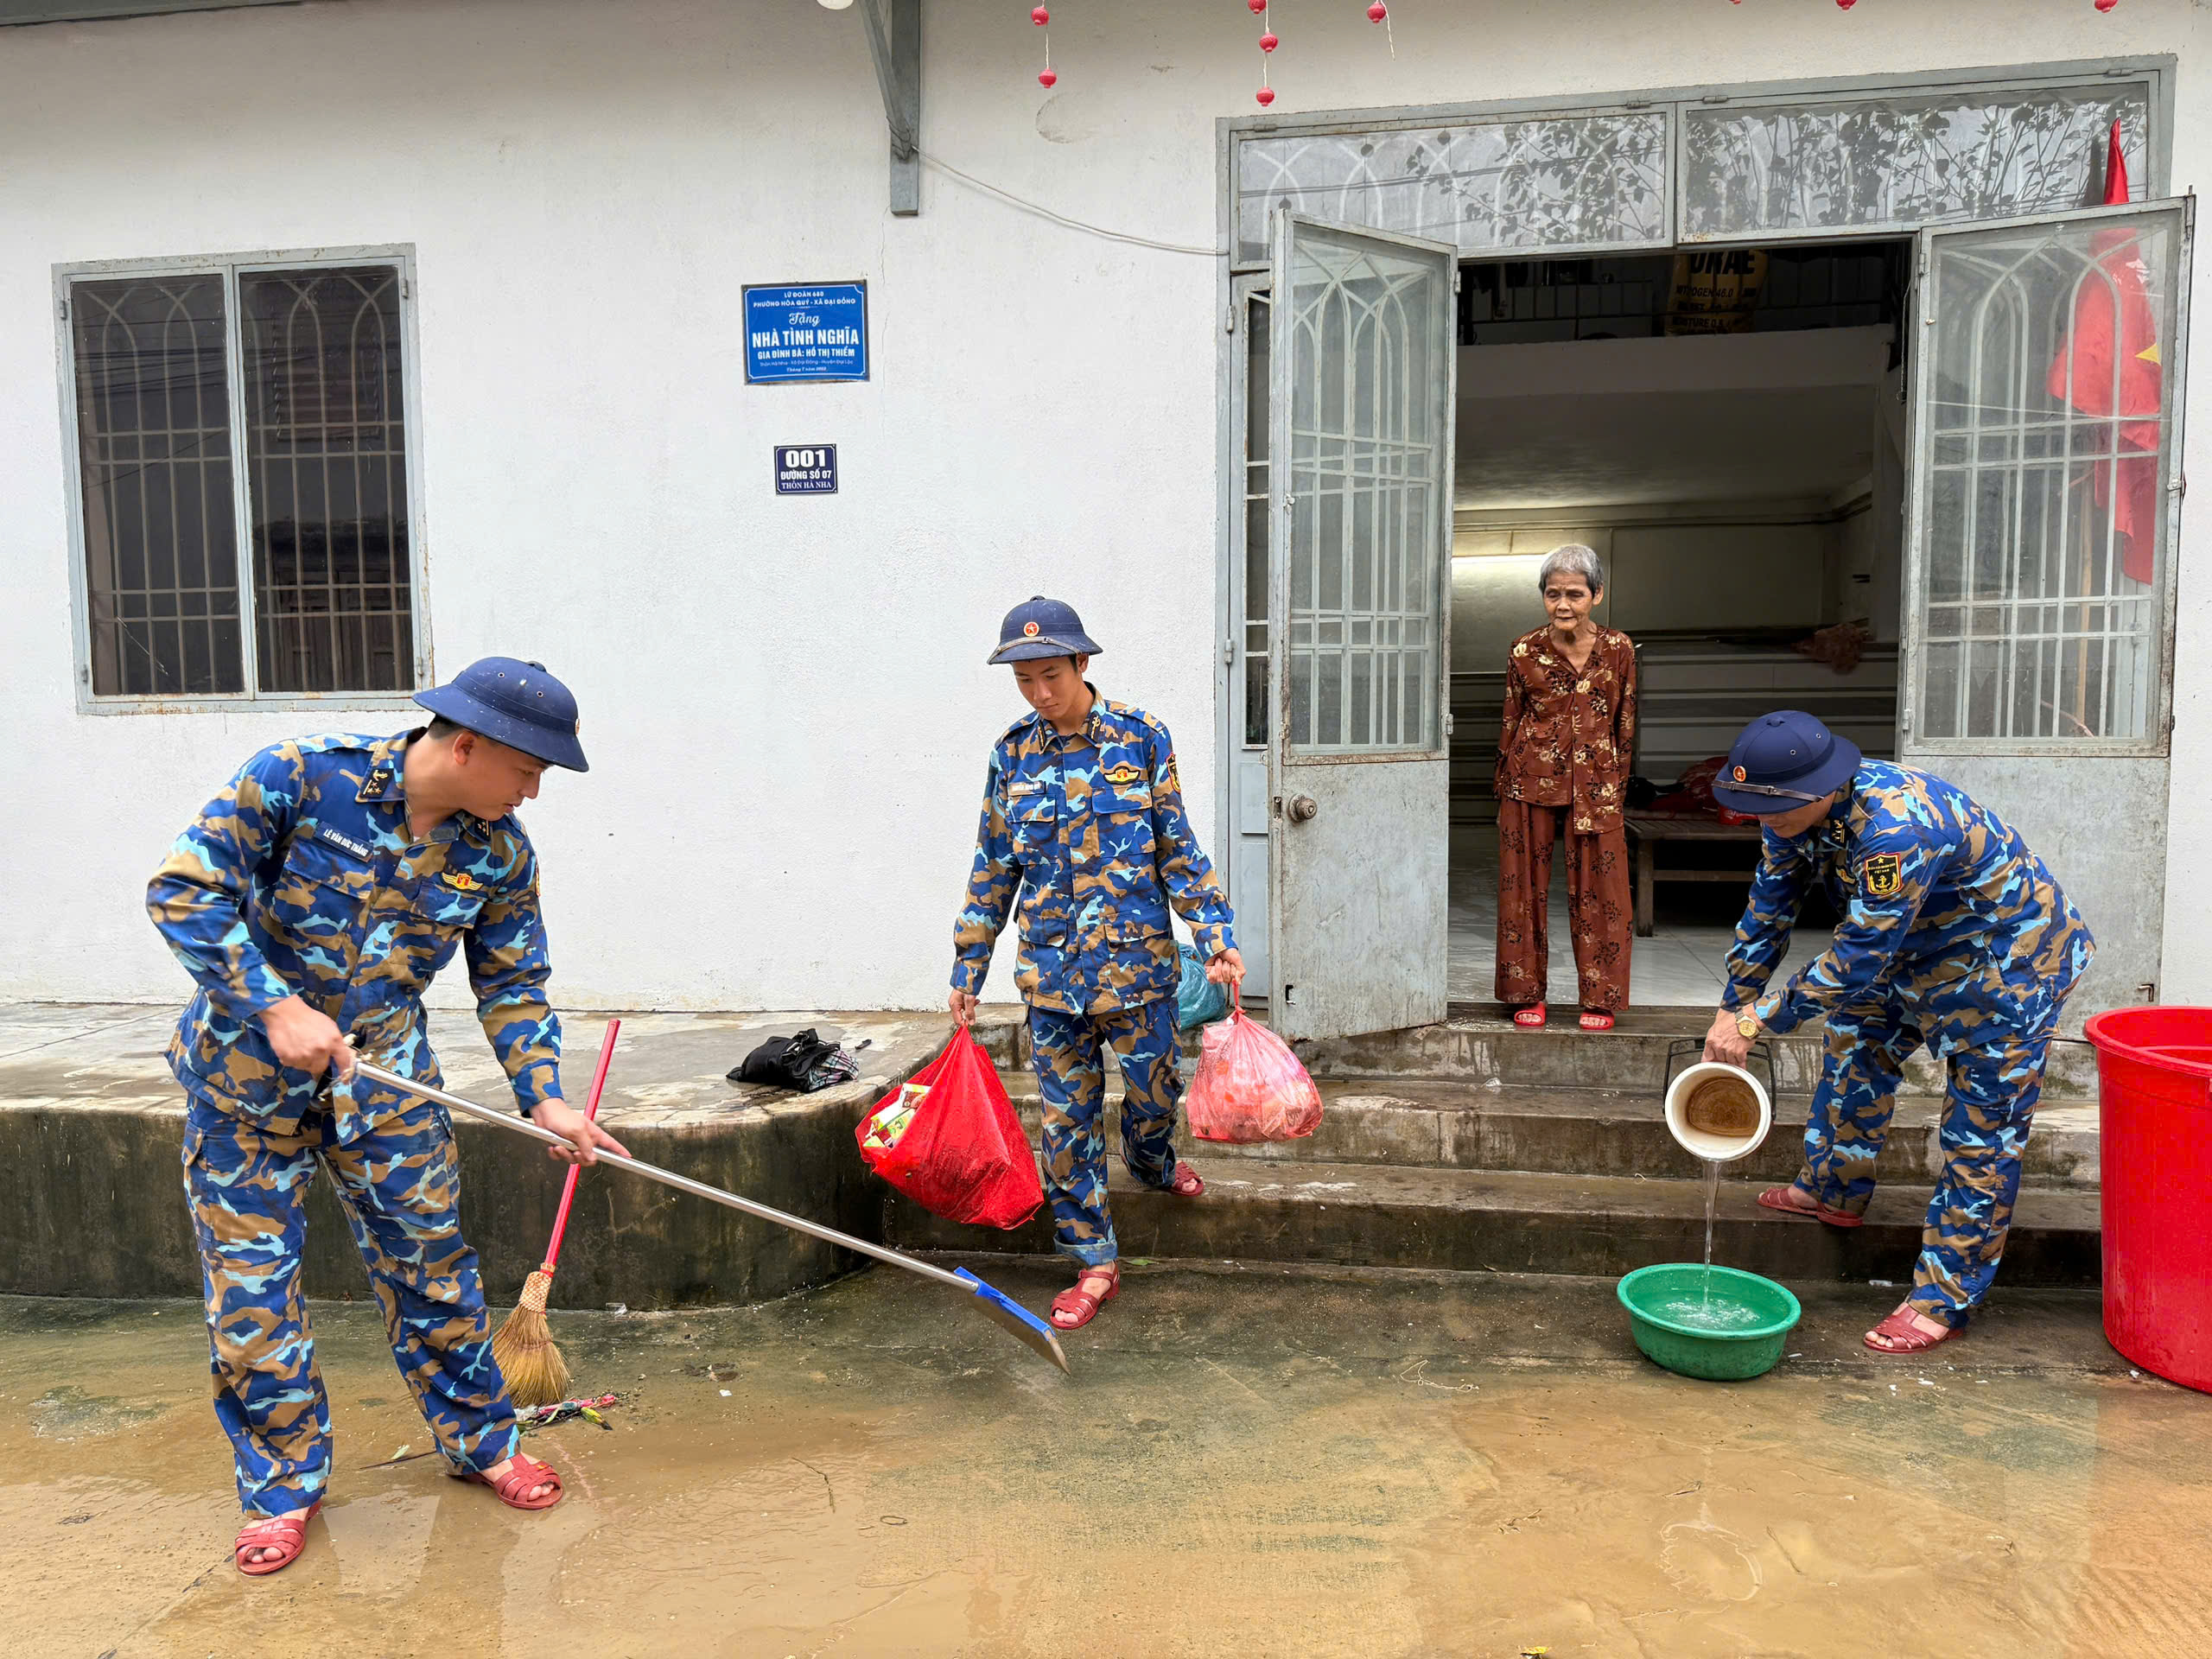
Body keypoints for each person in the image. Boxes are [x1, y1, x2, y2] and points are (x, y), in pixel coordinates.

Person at [145, 657, 628, 1577]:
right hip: (244, 1092)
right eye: (528, 769)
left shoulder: (499, 854)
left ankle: (482, 1442)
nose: (533, 792)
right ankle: (283, 1489)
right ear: (467, 743)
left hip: (386, 1093)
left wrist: (548, 1097)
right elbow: (182, 892)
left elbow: (514, 983)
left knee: (435, 1275)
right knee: (251, 1301)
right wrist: (275, 1006)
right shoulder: (298, 776)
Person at [1701, 710, 2094, 1355]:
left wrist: (1759, 1020)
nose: (1757, 820)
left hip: (2007, 965)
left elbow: (1857, 957)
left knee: (1980, 1136)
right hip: (1910, 954)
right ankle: (1833, 1187)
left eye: (1766, 807)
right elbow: (1769, 909)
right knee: (1853, 1045)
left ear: (1820, 789)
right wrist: (1733, 1003)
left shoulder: (1896, 830)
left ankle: (1943, 1298)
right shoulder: (1786, 813)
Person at [949, 597, 1243, 1332]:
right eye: (1023, 680)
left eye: (1050, 675)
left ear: (1082, 663)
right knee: (1065, 1126)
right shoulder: (1010, 754)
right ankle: (1094, 1262)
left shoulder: (1142, 738)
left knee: (1153, 1096)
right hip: (1051, 980)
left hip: (1137, 973)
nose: (1040, 693)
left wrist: (1213, 930)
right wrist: (967, 968)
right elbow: (993, 867)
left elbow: (1176, 846)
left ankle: (1149, 1161)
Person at [1493, 543, 1638, 1032]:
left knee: (1603, 891)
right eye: (1553, 594)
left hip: (1597, 783)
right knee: (1523, 891)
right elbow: (1511, 720)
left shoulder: (1619, 650)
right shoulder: (1523, 650)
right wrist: (1501, 789)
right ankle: (1525, 994)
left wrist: (1618, 786)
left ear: (1597, 594)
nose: (1563, 605)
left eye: (1574, 594)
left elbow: (1626, 723)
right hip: (1529, 779)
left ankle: (1600, 998)